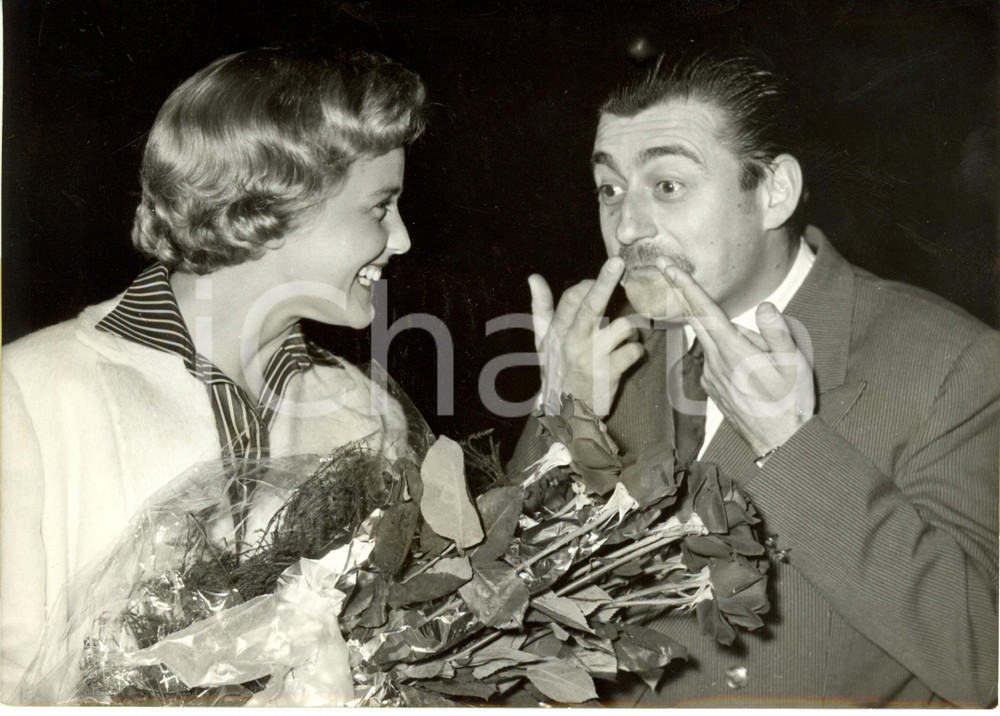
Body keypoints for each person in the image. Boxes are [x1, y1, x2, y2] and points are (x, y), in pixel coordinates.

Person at [512, 47, 998, 707]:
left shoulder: (951, 364)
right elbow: (503, 633)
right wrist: (561, 421)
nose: (626, 227)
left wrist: (794, 447)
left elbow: (985, 665)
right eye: (610, 188)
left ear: (774, 192)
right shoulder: (604, 353)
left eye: (667, 186)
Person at [1, 47, 426, 701]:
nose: (400, 239)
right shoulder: (26, 396)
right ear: (271, 205)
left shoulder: (369, 414)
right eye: (379, 207)